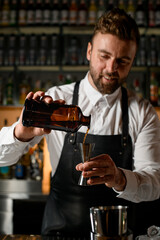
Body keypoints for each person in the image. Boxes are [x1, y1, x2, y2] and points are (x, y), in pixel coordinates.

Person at [0, 7, 160, 238]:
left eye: (123, 61)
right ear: (89, 51)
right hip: (59, 233)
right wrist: (22, 132)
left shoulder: (142, 111)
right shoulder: (56, 100)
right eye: (104, 56)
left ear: (133, 60)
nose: (111, 68)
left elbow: (155, 183)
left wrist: (119, 178)